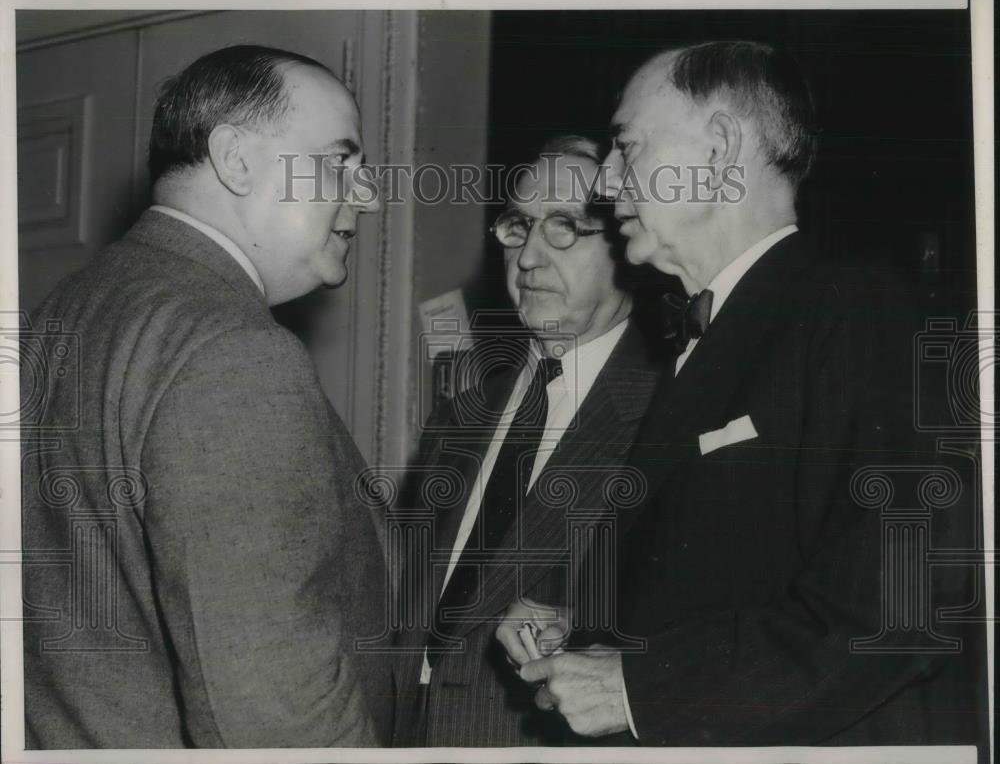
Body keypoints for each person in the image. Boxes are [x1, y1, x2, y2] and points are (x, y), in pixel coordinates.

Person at [499, 41, 985, 749]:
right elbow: (745, 577)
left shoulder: (856, 311)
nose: (605, 183)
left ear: (721, 148)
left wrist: (637, 687)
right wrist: (589, 629)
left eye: (626, 146)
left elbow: (897, 609)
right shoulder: (708, 336)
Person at [21, 45, 389, 748]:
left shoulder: (62, 314)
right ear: (238, 159)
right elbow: (272, 715)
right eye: (340, 161)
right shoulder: (233, 350)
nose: (366, 193)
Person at [391, 136, 664, 746]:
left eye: (565, 226)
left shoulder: (665, 419)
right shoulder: (464, 409)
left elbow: (701, 629)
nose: (530, 258)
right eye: (518, 226)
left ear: (628, 245)